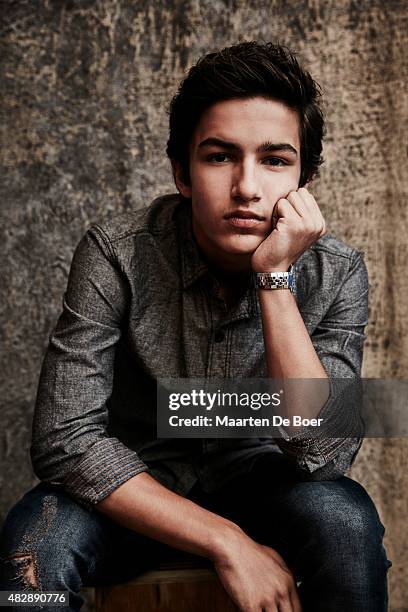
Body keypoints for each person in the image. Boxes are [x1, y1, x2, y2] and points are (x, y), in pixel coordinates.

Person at [0, 41, 391, 611]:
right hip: (133, 482)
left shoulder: (337, 272)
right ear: (182, 172)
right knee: (28, 560)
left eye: (276, 160)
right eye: (219, 157)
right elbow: (64, 439)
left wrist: (274, 277)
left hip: (263, 477)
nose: (248, 188)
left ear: (304, 177)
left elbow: (323, 452)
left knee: (346, 524)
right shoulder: (116, 254)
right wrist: (226, 541)